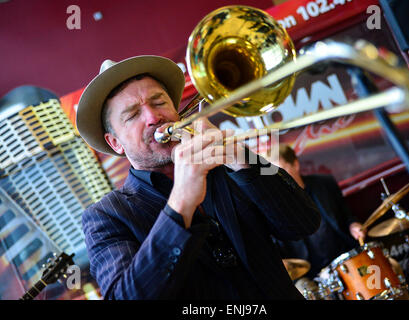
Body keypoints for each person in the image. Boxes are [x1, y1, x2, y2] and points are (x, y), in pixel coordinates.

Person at [76, 55, 321, 300]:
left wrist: (243, 159)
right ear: (115, 143)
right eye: (132, 115)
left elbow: (305, 222)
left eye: (159, 102)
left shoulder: (230, 165)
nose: (153, 117)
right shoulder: (105, 217)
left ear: (176, 111)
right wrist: (181, 202)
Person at [267, 144, 366, 279]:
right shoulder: (274, 207)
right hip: (311, 275)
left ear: (295, 165)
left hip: (345, 258)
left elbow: (346, 214)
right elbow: (276, 245)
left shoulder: (324, 183)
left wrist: (353, 225)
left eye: (281, 170)